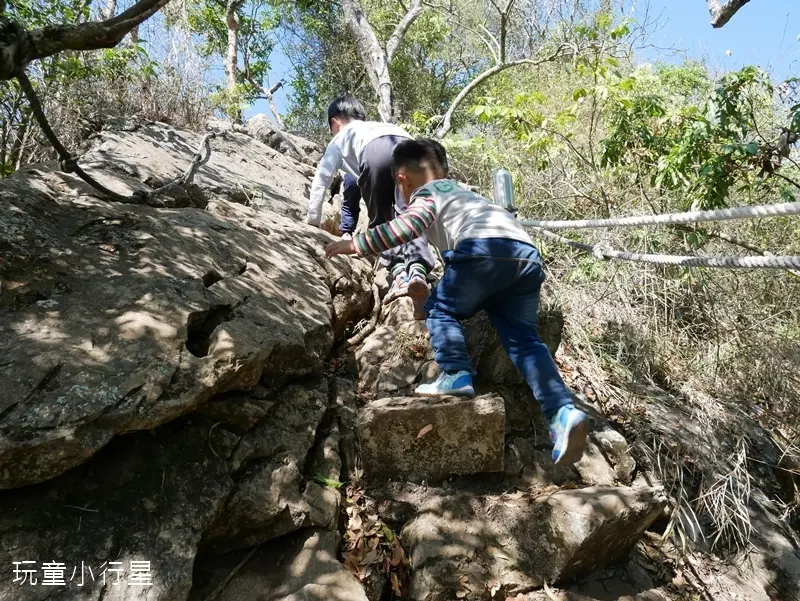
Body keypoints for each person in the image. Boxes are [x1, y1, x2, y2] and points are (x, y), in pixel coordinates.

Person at [324, 138, 590, 465]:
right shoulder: (469, 195)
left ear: (402, 179)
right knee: (524, 341)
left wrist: (356, 245)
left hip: (483, 251)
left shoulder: (427, 194)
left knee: (440, 307)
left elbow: (408, 227)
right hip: (526, 256)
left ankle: (456, 374)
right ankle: (563, 414)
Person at [305, 96, 435, 315]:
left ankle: (401, 276)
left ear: (335, 122)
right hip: (413, 150)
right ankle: (418, 272)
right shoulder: (380, 125)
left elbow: (322, 178)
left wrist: (312, 220)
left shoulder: (342, 137)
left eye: (331, 128)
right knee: (411, 216)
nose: (331, 133)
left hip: (375, 152)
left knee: (382, 219)